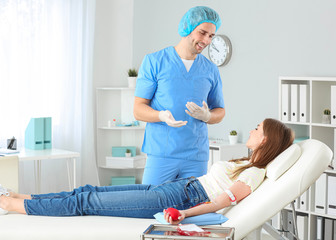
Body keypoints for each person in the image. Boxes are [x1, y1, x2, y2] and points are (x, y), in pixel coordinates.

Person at [0, 118, 294, 223]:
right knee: (88, 191)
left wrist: (183, 214)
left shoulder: (255, 173)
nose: (253, 129)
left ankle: (13, 204)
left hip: (181, 199)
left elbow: (221, 201)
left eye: (258, 128)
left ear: (265, 140)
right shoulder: (246, 162)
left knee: (87, 202)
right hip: (179, 188)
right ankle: (28, 197)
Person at [133, 6, 226, 185]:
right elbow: (138, 110)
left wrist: (208, 116)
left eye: (211, 36)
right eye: (202, 33)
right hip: (162, 153)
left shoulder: (210, 69)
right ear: (188, 28)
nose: (206, 40)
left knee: (190, 210)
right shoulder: (155, 62)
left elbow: (220, 111)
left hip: (195, 156)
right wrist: (160, 115)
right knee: (150, 206)